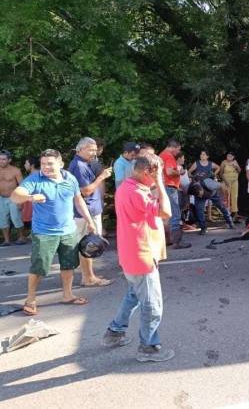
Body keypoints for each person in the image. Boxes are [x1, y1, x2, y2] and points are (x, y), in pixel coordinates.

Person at [101, 153, 175, 362]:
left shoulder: (129, 186)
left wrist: (155, 183)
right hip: (141, 255)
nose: (158, 177)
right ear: (147, 172)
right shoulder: (136, 192)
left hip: (132, 253)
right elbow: (166, 212)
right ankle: (148, 347)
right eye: (156, 173)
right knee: (152, 304)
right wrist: (161, 182)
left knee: (134, 295)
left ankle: (114, 332)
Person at [10, 149, 97, 315]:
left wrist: (89, 221)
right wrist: (30, 197)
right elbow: (16, 195)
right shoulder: (35, 178)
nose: (46, 167)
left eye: (50, 164)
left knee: (68, 264)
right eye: (43, 164)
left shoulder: (70, 178)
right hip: (44, 232)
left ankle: (67, 295)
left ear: (60, 164)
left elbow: (78, 201)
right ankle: (30, 299)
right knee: (39, 267)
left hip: (68, 230)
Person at [68, 137, 113, 287]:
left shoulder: (85, 163)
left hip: (90, 211)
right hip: (84, 213)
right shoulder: (79, 166)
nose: (94, 152)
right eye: (90, 149)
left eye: (95, 149)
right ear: (80, 149)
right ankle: (88, 278)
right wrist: (102, 177)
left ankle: (89, 275)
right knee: (87, 245)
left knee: (90, 244)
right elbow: (85, 191)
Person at [188, 150, 234, 235]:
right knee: (199, 209)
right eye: (201, 154)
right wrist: (194, 177)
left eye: (204, 154)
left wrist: (213, 174)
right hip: (200, 188)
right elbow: (189, 172)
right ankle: (203, 228)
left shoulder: (210, 164)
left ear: (207, 156)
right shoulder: (196, 163)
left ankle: (230, 222)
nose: (202, 155)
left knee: (221, 206)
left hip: (211, 188)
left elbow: (218, 167)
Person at [159, 139, 191, 249]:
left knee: (168, 215)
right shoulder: (168, 156)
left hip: (166, 187)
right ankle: (177, 242)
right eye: (178, 150)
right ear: (173, 147)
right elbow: (169, 172)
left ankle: (169, 240)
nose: (178, 152)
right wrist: (180, 172)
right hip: (170, 187)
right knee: (175, 214)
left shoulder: (162, 155)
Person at [0, 150, 28, 246]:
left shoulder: (15, 170)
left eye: (3, 159)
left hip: (14, 197)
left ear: (9, 160)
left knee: (16, 218)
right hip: (1, 198)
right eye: (0, 159)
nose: (1, 161)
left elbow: (22, 185)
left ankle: (22, 237)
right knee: (2, 219)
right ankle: (6, 240)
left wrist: (21, 200)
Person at [21, 156, 40, 236]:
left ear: (32, 165)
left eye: (26, 163)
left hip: (34, 210)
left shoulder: (31, 178)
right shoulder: (43, 175)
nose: (25, 165)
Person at [219, 152, 241, 220]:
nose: (228, 157)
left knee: (234, 197)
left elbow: (239, 171)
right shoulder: (223, 162)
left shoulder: (235, 162)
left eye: (230, 156)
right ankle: (227, 213)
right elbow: (221, 173)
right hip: (226, 181)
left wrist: (236, 166)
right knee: (226, 198)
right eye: (227, 156)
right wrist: (226, 181)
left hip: (235, 181)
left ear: (233, 157)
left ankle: (234, 213)